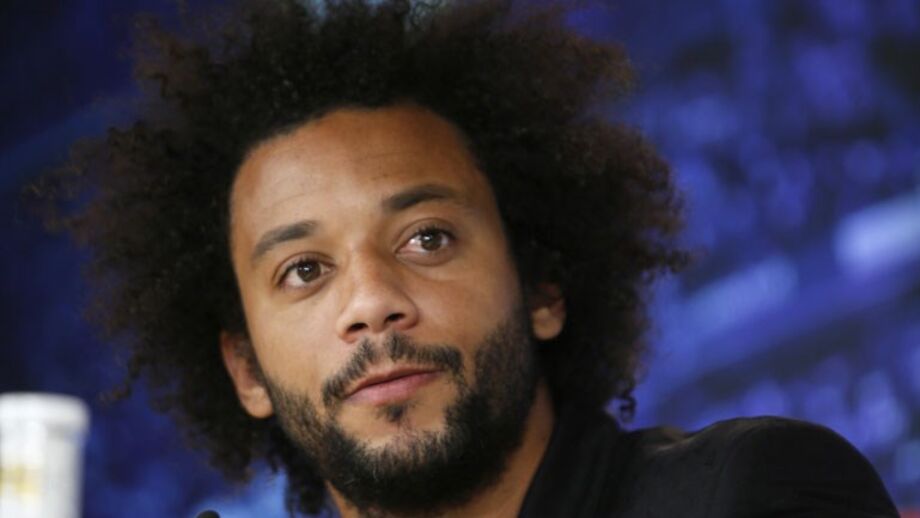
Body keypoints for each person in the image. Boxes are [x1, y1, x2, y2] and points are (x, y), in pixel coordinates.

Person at [38, 0, 898, 516]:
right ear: (246, 370)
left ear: (542, 288)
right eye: (304, 270)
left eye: (427, 239)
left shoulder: (754, 493)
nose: (370, 302)